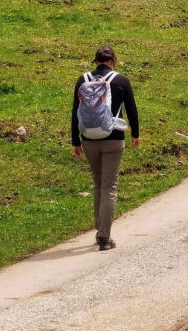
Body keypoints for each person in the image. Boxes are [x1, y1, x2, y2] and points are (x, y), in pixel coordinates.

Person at [71, 45, 140, 251]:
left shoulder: (82, 80)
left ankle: (99, 228)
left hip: (88, 139)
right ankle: (104, 237)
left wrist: (75, 141)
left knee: (98, 184)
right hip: (113, 138)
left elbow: (75, 111)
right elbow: (131, 109)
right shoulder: (121, 80)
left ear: (96, 61)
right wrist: (135, 133)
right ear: (113, 61)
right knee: (109, 187)